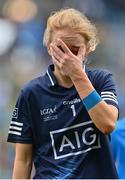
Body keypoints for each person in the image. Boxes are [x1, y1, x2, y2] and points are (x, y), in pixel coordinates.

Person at [7, 8, 119, 179]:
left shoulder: (101, 80)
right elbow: (23, 160)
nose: (67, 56)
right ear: (49, 48)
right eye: (60, 48)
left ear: (88, 48)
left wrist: (77, 76)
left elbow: (108, 124)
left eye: (74, 49)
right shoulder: (31, 94)